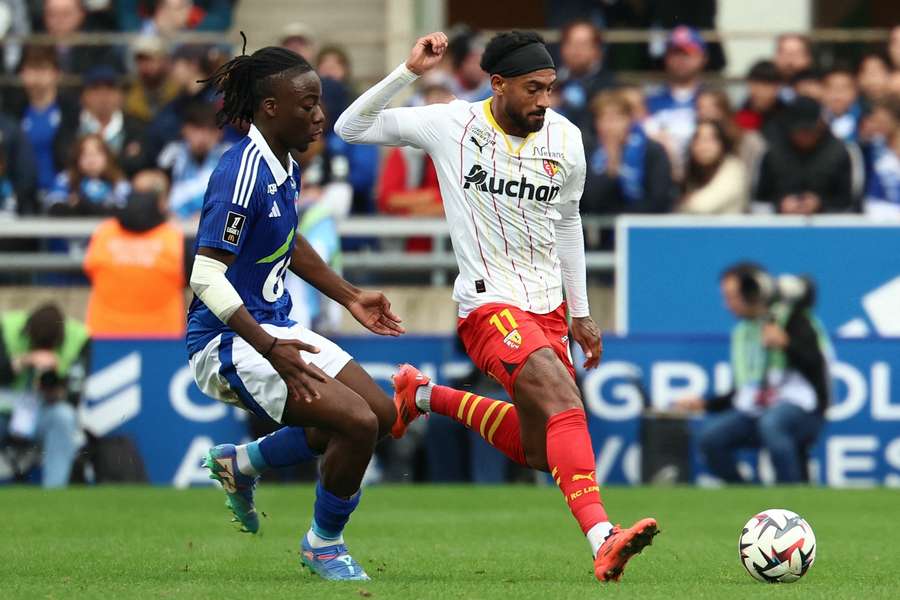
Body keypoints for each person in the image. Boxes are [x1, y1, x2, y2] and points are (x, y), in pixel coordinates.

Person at [335, 30, 658, 583]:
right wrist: (408, 72)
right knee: (561, 396)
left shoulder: (566, 138)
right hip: (489, 306)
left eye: (551, 89)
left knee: (540, 450)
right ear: (498, 83)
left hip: (549, 309)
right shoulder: (450, 123)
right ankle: (603, 537)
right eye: (533, 89)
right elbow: (350, 126)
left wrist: (579, 312)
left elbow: (567, 223)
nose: (544, 101)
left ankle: (425, 395)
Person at [187, 40, 408, 582]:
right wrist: (269, 348)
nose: (319, 115)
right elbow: (204, 276)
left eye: (318, 103)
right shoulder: (241, 171)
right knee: (354, 423)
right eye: (307, 104)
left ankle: (241, 463)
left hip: (273, 326)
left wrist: (349, 295)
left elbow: (286, 239)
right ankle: (323, 545)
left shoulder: (283, 163)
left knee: (379, 415)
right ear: (269, 109)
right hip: (226, 341)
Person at [675, 263, 832, 484]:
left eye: (732, 296)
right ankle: (745, 495)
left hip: (803, 408)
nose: (727, 305)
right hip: (757, 411)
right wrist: (706, 404)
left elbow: (817, 365)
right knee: (711, 438)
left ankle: (792, 495)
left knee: (773, 424)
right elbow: (748, 389)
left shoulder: (795, 318)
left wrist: (787, 344)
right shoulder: (742, 332)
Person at [0, 303, 89, 488]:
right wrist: (24, 361)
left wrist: (56, 387)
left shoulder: (79, 338)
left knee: (64, 416)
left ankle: (54, 493)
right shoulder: (6, 327)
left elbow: (74, 396)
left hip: (42, 412)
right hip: (5, 412)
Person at [83, 183, 186, 338]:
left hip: (105, 332)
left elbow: (90, 269)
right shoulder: (172, 236)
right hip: (162, 335)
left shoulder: (105, 232)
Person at [755, 96, 855, 214]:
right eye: (799, 130)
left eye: (809, 130)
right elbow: (760, 200)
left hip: (826, 223)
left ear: (820, 125)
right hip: (779, 222)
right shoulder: (772, 152)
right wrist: (780, 204)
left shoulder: (838, 152)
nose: (804, 136)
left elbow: (846, 201)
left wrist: (820, 204)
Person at [582, 90, 673, 216]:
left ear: (629, 120)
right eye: (603, 119)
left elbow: (659, 199)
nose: (609, 126)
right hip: (600, 230)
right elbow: (588, 202)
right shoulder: (587, 153)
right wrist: (610, 168)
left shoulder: (652, 151)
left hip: (642, 227)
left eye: (615, 119)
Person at [14, 43, 79, 200]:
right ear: (22, 74)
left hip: (61, 193)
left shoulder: (72, 112)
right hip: (21, 194)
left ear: (56, 73)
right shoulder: (14, 112)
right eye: (31, 69)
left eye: (42, 68)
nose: (37, 76)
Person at [644, 25, 707, 179]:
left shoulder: (711, 100)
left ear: (702, 57)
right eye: (675, 53)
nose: (680, 59)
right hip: (660, 178)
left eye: (687, 53)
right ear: (666, 58)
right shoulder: (649, 101)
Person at [157, 101, 230, 222]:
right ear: (184, 129)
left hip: (216, 222)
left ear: (219, 132)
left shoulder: (230, 155)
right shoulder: (172, 153)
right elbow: (162, 190)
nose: (202, 137)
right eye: (197, 129)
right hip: (177, 221)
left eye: (209, 130)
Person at [74, 66, 148, 177]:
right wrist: (121, 157)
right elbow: (67, 157)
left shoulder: (136, 126)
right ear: (84, 96)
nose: (103, 96)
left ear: (120, 95)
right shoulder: (71, 124)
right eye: (96, 89)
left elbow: (139, 162)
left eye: (110, 88)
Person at [44, 134, 130, 215]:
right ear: (77, 158)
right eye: (85, 155)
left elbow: (122, 210)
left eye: (96, 154)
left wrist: (83, 205)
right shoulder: (66, 178)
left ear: (107, 157)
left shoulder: (119, 181)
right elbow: (54, 205)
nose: (91, 160)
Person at [554, 19, 616, 131]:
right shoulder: (549, 82)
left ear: (597, 51)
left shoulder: (610, 87)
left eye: (583, 44)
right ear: (562, 48)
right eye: (571, 43)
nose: (576, 50)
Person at [677, 119, 748, 214]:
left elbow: (702, 206)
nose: (703, 145)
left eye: (710, 139)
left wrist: (685, 202)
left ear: (722, 143)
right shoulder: (693, 171)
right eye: (698, 139)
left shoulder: (734, 168)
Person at [124, 36, 180, 122]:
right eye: (140, 60)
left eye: (150, 59)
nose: (145, 66)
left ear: (164, 61)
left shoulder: (179, 93)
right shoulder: (128, 95)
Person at [735, 60, 783, 133]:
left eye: (764, 84)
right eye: (753, 83)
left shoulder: (787, 116)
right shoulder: (738, 118)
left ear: (777, 87)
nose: (757, 90)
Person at [822, 65, 862, 142]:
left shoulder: (865, 121)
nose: (838, 94)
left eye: (844, 88)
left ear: (856, 92)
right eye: (832, 88)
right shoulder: (815, 122)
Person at [773, 33, 814, 102]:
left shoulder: (821, 94)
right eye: (784, 53)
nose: (789, 61)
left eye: (796, 54)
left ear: (808, 58)